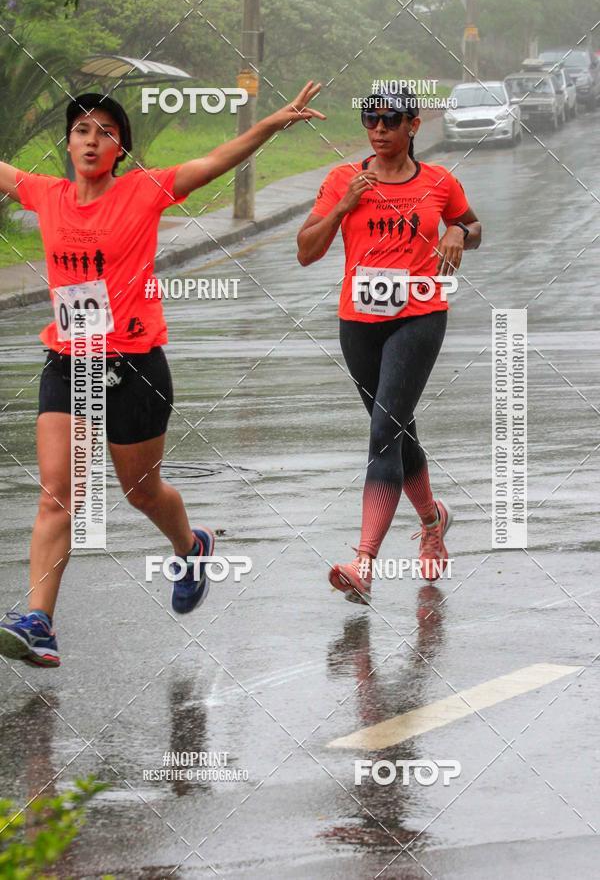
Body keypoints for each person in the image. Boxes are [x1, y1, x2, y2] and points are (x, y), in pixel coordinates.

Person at [0, 83, 325, 666]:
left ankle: (191, 545)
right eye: (81, 130)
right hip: (70, 361)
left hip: (136, 366)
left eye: (105, 132)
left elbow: (214, 161)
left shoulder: (143, 192)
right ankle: (39, 622)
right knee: (58, 495)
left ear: (120, 149)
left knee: (140, 491)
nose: (91, 140)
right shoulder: (44, 194)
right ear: (68, 144)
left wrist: (271, 123)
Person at [297, 92, 481, 604]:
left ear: (414, 125)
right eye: (370, 120)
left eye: (390, 121)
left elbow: (473, 224)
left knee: (383, 431)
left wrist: (458, 233)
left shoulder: (438, 181)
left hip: (420, 314)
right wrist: (342, 207)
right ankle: (432, 520)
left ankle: (364, 563)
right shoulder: (342, 179)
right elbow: (306, 252)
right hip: (358, 322)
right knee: (397, 429)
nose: (378, 129)